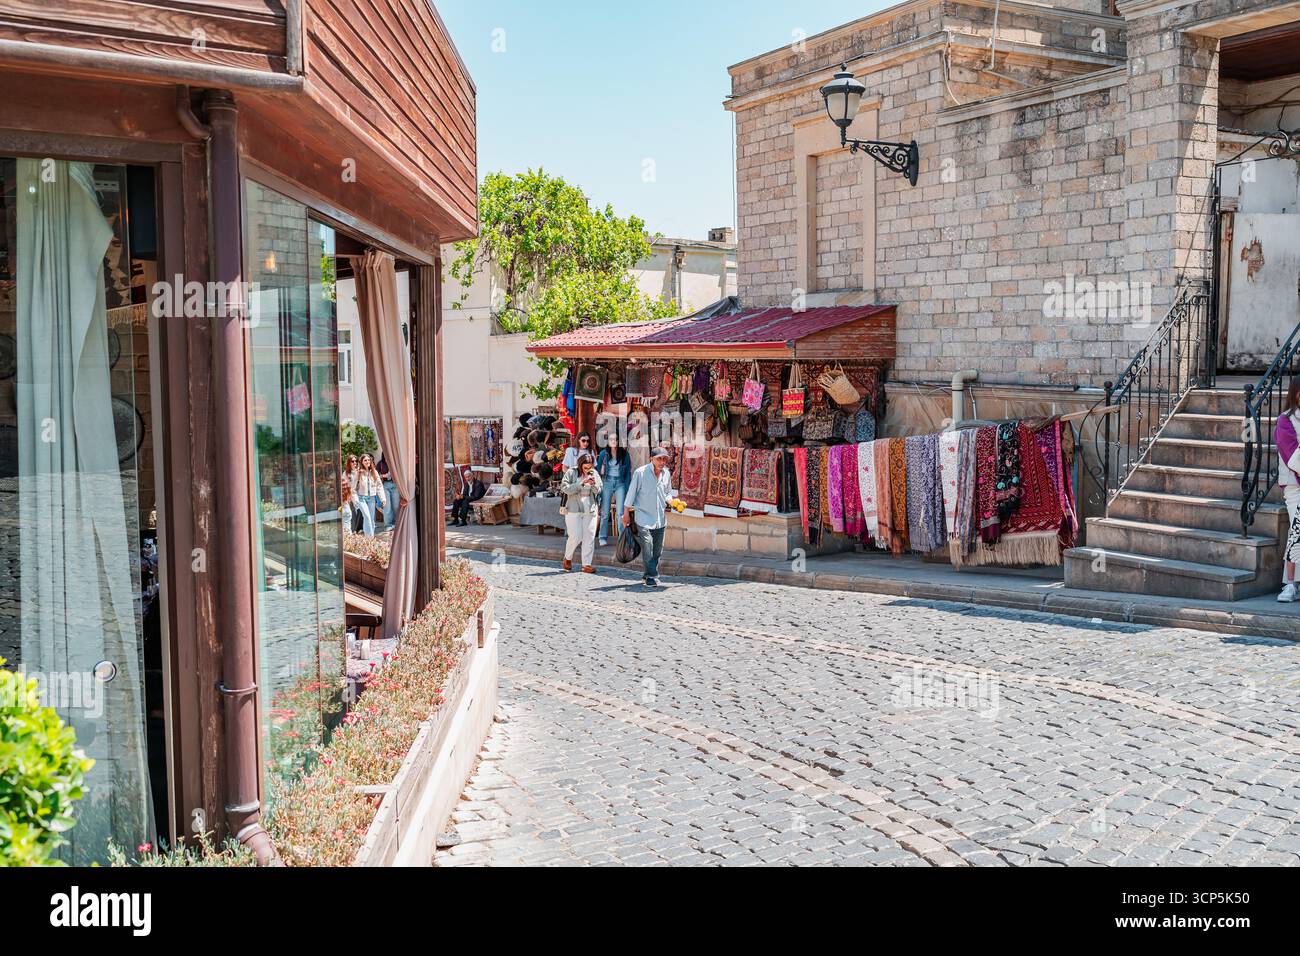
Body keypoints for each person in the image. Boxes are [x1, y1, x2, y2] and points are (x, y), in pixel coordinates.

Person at [622, 446, 675, 587]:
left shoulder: (666, 474)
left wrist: (672, 501)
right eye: (659, 459)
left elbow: (668, 493)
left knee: (658, 549)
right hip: (643, 516)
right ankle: (652, 576)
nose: (662, 462)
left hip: (660, 518)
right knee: (648, 546)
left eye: (664, 459)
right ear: (651, 459)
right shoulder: (641, 473)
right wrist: (625, 514)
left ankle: (647, 575)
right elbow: (631, 493)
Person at [1275, 376, 1300, 602]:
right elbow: (1292, 457)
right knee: (1297, 530)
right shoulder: (1286, 421)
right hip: (1295, 486)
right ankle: (1290, 584)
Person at [560, 453, 602, 573]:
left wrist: (593, 484)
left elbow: (599, 490)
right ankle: (567, 557)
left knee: (589, 536)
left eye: (590, 467)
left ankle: (586, 564)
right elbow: (564, 488)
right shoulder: (571, 472)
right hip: (573, 508)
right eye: (586, 467)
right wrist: (581, 483)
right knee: (576, 535)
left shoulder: (594, 473)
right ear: (580, 465)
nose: (588, 470)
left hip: (590, 508)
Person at [595, 432, 631, 546]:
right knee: (605, 512)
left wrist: (627, 487)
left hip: (620, 483)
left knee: (620, 512)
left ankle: (622, 538)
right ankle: (602, 537)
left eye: (615, 439)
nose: (613, 441)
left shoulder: (625, 454)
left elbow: (628, 473)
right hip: (607, 482)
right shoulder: (603, 454)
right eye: (611, 439)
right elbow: (598, 470)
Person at [354, 453, 384, 536]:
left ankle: (370, 537)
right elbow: (353, 488)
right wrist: (355, 500)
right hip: (361, 498)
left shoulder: (374, 472)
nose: (367, 461)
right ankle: (370, 539)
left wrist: (382, 498)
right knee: (367, 517)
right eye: (365, 460)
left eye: (368, 460)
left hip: (371, 499)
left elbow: (379, 486)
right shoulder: (358, 473)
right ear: (362, 462)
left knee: (371, 519)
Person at [377, 454, 399, 531]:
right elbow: (376, 475)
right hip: (385, 485)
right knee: (387, 506)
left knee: (396, 506)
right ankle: (388, 525)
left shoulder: (395, 462)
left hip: (395, 485)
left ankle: (396, 523)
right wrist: (383, 476)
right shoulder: (380, 463)